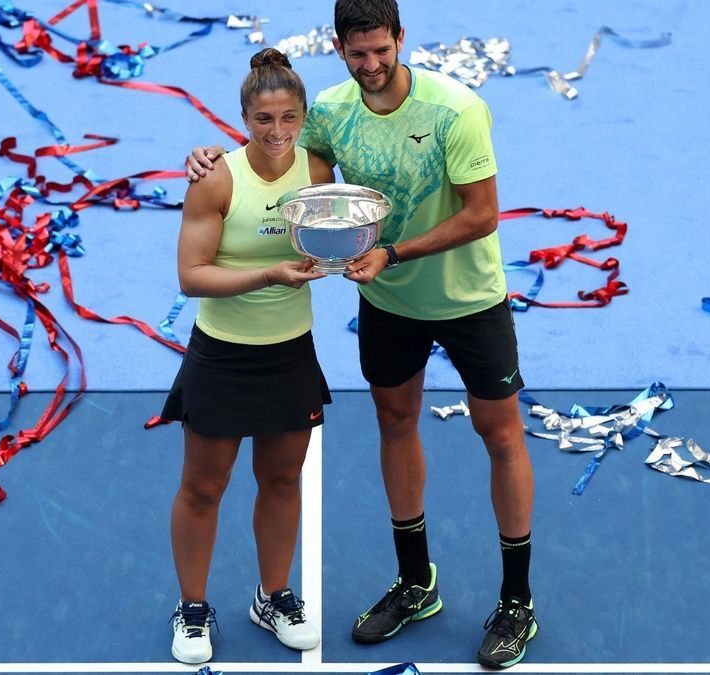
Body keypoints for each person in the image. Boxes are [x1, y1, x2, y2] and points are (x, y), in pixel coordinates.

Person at [186, 0, 537, 668]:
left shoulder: (455, 110)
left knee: (500, 433)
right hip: (389, 302)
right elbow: (292, 178)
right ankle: (415, 581)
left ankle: (516, 599)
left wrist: (396, 253)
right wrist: (214, 160)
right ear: (339, 48)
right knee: (396, 424)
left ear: (401, 39)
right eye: (358, 53)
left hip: (468, 300)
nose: (372, 65)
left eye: (382, 50)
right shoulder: (333, 113)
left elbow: (483, 215)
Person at [162, 47, 334, 665]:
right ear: (243, 118)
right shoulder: (216, 177)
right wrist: (269, 276)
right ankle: (191, 607)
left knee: (282, 478)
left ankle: (273, 595)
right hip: (223, 357)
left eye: (289, 118)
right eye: (264, 119)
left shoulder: (316, 169)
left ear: (304, 117)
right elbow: (191, 275)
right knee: (204, 487)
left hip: (290, 353)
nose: (278, 132)